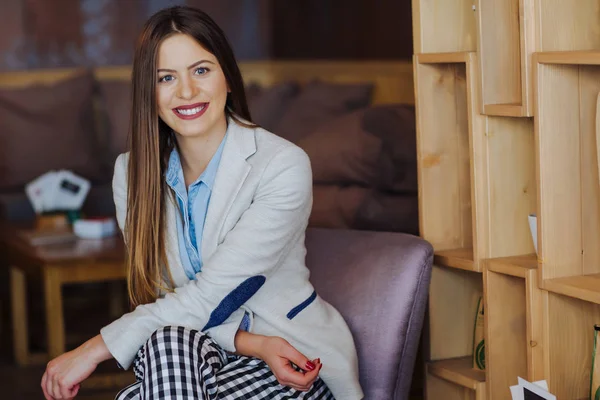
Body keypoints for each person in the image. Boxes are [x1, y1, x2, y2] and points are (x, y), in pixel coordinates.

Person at [40, 5, 363, 400]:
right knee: (166, 342)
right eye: (166, 78)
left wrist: (92, 350)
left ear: (228, 77)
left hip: (290, 360)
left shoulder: (281, 165)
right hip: (208, 350)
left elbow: (212, 294)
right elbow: (169, 306)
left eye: (201, 70)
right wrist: (251, 343)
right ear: (149, 92)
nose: (187, 91)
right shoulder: (132, 174)